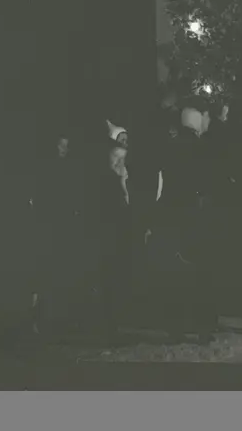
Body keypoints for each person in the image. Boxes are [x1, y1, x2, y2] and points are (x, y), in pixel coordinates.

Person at [153, 105, 222, 344]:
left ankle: (175, 329)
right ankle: (203, 328)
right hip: (198, 216)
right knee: (202, 272)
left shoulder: (168, 148)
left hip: (172, 216)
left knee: (174, 274)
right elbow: (211, 183)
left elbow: (160, 185)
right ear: (196, 123)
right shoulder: (204, 148)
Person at [29, 133, 89, 337]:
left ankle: (60, 323)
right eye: (61, 145)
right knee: (47, 276)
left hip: (65, 229)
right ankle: (42, 322)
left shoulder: (70, 169)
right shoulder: (46, 169)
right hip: (49, 228)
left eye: (67, 145)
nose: (64, 149)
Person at [88, 140, 139, 341]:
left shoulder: (122, 179)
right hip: (107, 239)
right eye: (116, 158)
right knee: (107, 283)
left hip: (117, 239)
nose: (120, 163)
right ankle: (106, 330)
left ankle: (111, 327)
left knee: (114, 283)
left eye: (123, 159)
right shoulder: (106, 181)